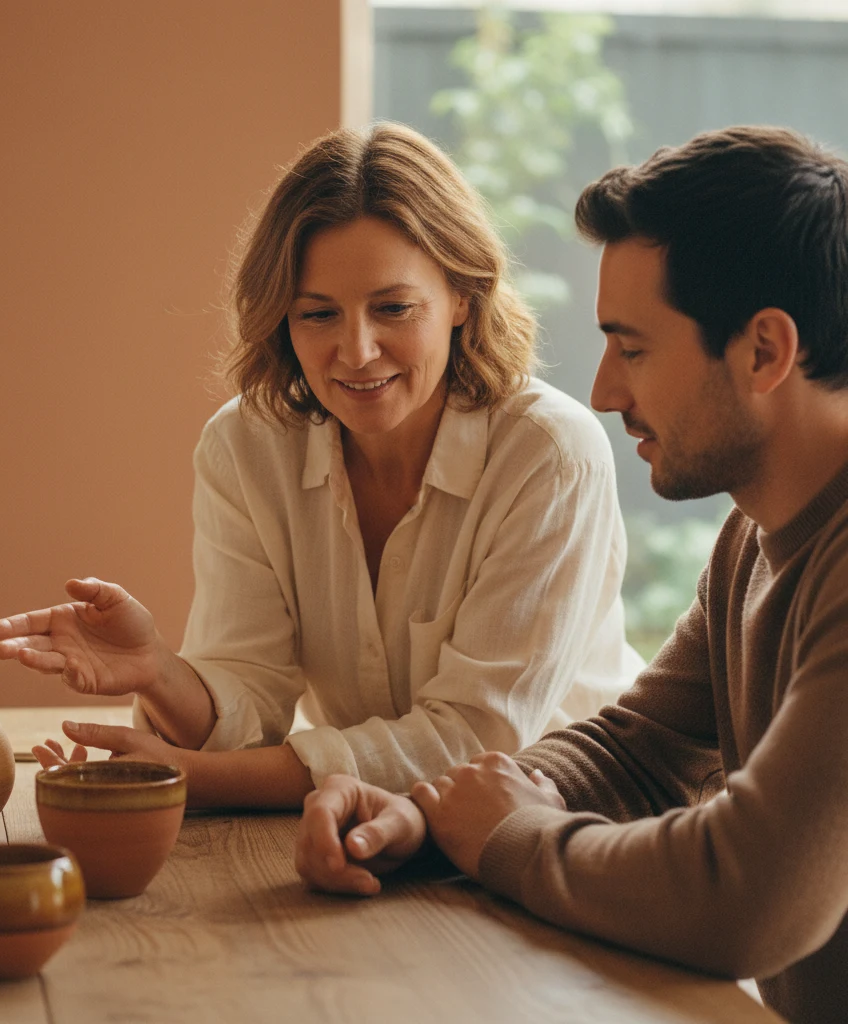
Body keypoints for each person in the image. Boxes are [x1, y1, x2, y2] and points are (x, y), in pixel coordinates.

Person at [294, 125, 848, 1024]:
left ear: (764, 351)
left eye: (632, 348)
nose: (602, 391)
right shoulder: (753, 537)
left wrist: (512, 836)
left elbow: (749, 898)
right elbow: (638, 747)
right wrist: (429, 817)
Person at [0, 122, 636, 809]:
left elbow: (475, 738)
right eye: (318, 314)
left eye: (393, 308)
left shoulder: (551, 453)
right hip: (367, 822)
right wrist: (159, 671)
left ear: (461, 298)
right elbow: (249, 699)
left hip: (571, 826)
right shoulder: (244, 447)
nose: (355, 352)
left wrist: (189, 779)